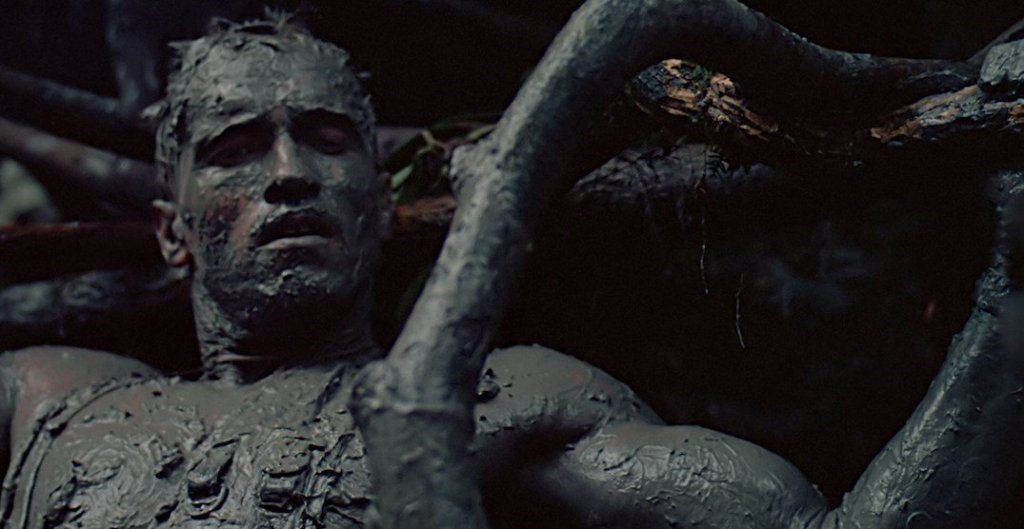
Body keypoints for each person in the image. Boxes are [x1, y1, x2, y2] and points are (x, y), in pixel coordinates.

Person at [0, 15, 1021, 529]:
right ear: (171, 230)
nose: (288, 174)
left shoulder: (505, 400)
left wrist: (1011, 286)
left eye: (325, 139)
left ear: (380, 203)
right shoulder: (46, 398)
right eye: (233, 148)